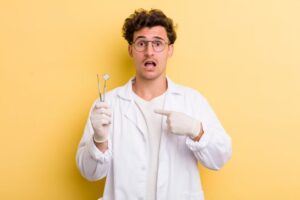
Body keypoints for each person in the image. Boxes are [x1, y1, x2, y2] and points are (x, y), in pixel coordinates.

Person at [76, 8, 232, 200]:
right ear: (131, 49)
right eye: (141, 43)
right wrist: (99, 140)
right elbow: (90, 173)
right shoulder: (107, 104)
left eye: (158, 44)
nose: (149, 52)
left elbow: (220, 159)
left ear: (170, 49)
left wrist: (196, 130)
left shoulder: (192, 101)